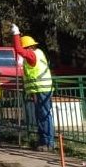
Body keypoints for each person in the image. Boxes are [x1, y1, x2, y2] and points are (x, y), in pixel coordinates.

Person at [10, 23, 54, 151]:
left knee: (44, 116)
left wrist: (16, 34)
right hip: (38, 90)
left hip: (42, 89)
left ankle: (48, 142)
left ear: (28, 47)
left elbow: (18, 49)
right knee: (41, 116)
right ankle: (43, 141)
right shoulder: (35, 54)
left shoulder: (32, 55)